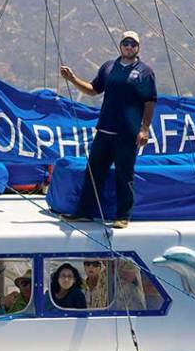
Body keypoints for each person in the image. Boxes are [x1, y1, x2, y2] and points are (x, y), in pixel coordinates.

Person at [59, 31, 158, 229]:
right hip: (104, 130)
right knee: (93, 173)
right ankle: (84, 212)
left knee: (124, 175)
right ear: (120, 45)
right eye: (126, 43)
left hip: (127, 133)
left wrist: (144, 129)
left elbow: (150, 101)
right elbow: (93, 90)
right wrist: (73, 79)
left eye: (133, 44)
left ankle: (123, 216)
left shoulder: (145, 72)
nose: (129, 47)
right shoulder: (109, 67)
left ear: (138, 47)